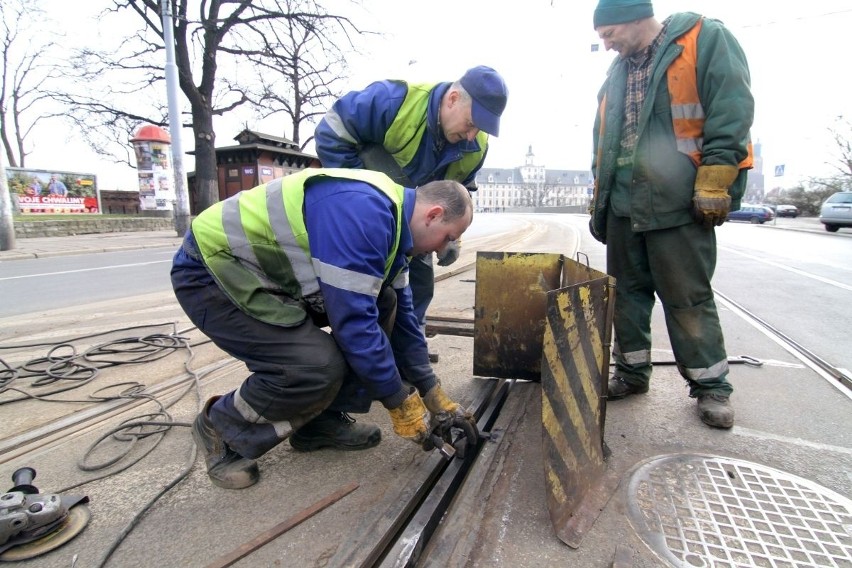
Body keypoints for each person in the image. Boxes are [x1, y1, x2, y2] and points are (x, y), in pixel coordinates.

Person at [170, 168, 477, 489]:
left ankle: (320, 422)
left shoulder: (396, 227)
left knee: (385, 301)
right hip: (212, 274)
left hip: (269, 279)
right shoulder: (365, 215)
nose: (443, 250)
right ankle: (220, 427)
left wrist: (430, 388)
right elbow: (355, 325)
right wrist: (397, 398)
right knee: (315, 366)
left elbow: (404, 321)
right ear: (434, 214)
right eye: (448, 238)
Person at [589, 0, 754, 428]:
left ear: (633, 18)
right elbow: (602, 143)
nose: (606, 46)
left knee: (687, 298)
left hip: (678, 200)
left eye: (608, 35)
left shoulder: (702, 39)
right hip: (624, 202)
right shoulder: (616, 74)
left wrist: (716, 176)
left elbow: (731, 108)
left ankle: (711, 387)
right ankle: (630, 373)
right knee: (626, 296)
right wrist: (601, 201)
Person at [314, 65, 508, 361]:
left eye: (479, 129)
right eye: (470, 123)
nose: (472, 135)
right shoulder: (395, 102)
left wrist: (452, 239)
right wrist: (358, 197)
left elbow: (460, 197)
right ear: (453, 99)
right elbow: (332, 130)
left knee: (418, 281)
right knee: (364, 281)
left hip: (417, 220)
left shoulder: (476, 147)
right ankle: (363, 352)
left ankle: (407, 352)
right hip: (369, 213)